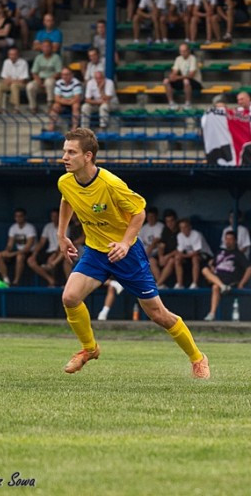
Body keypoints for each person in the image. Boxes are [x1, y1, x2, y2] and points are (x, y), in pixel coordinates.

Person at [56, 128, 210, 378]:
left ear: (88, 156)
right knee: (70, 297)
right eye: (64, 151)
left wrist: (126, 244)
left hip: (127, 254)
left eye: (71, 152)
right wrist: (61, 235)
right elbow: (66, 200)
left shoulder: (111, 184)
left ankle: (198, 357)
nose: (64, 157)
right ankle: (89, 349)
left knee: (158, 314)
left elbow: (139, 212)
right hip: (96, 251)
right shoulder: (65, 182)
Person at [202, 231, 251, 321]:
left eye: (230, 239)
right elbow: (211, 264)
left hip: (229, 279)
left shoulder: (238, 254)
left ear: (235, 241)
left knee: (215, 287)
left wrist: (241, 283)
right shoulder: (220, 252)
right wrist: (211, 267)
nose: (228, 241)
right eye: (226, 239)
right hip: (217, 277)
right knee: (204, 270)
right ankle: (222, 286)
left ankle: (212, 313)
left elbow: (250, 269)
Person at [0, 208, 37, 286]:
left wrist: (12, 254)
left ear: (24, 217)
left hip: (29, 253)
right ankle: (6, 279)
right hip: (17, 252)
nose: (18, 218)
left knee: (19, 257)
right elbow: (10, 244)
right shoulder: (13, 228)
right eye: (16, 216)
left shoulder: (30, 228)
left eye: (20, 216)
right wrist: (7, 251)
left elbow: (28, 247)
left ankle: (16, 281)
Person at [27, 208, 62, 287]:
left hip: (60, 251)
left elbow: (62, 243)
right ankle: (50, 280)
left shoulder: (64, 226)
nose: (54, 218)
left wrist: (55, 254)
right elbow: (41, 242)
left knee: (51, 260)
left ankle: (54, 283)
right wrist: (34, 254)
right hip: (48, 251)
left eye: (56, 216)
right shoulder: (48, 226)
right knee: (30, 260)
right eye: (53, 216)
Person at [173, 218, 211, 289]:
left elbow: (196, 252)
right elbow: (180, 251)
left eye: (185, 227)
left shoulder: (196, 234)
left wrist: (183, 255)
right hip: (188, 255)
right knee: (177, 258)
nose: (183, 229)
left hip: (205, 255)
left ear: (190, 227)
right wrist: (181, 256)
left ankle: (194, 284)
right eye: (181, 228)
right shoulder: (180, 235)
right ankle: (179, 284)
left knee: (195, 258)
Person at [163, 43, 201, 110]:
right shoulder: (178, 59)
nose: (182, 53)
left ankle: (188, 103)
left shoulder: (193, 58)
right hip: (184, 80)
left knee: (186, 81)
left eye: (184, 51)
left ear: (188, 51)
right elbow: (175, 71)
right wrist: (172, 77)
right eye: (181, 51)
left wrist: (177, 77)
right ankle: (171, 103)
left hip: (196, 81)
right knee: (166, 81)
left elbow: (191, 75)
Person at [28, 39, 62, 113]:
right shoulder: (38, 58)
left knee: (49, 82)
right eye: (44, 47)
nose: (46, 48)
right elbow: (34, 72)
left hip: (52, 79)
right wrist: (39, 81)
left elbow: (58, 72)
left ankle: (50, 104)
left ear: (51, 47)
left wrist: (49, 79)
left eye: (48, 46)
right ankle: (33, 106)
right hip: (40, 80)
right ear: (41, 48)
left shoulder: (56, 57)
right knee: (30, 86)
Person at [0, 46, 28, 114]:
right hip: (10, 83)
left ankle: (16, 108)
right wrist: (9, 81)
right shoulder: (6, 62)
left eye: (14, 54)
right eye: (10, 54)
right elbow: (4, 78)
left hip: (21, 84)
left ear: (18, 55)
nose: (12, 56)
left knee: (14, 85)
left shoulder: (23, 63)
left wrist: (11, 81)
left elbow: (23, 80)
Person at [47, 67, 82, 132]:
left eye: (66, 74)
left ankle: (74, 127)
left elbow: (77, 98)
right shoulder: (58, 82)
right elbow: (57, 98)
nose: (64, 76)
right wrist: (67, 101)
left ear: (71, 74)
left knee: (76, 106)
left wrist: (64, 100)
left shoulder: (76, 82)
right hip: (64, 103)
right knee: (55, 106)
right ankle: (50, 128)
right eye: (63, 74)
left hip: (72, 103)